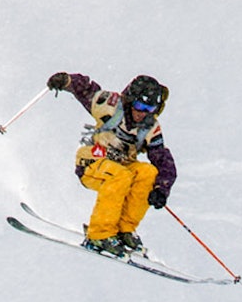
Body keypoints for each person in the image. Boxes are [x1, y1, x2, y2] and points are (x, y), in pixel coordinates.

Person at [46, 71, 176, 256]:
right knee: (120, 177)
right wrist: (66, 81)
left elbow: (163, 159)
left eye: (149, 109)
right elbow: (86, 90)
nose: (142, 113)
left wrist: (161, 189)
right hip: (93, 160)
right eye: (139, 106)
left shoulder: (150, 128)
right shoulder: (110, 106)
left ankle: (124, 229)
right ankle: (99, 234)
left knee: (147, 173)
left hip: (122, 164)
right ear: (131, 100)